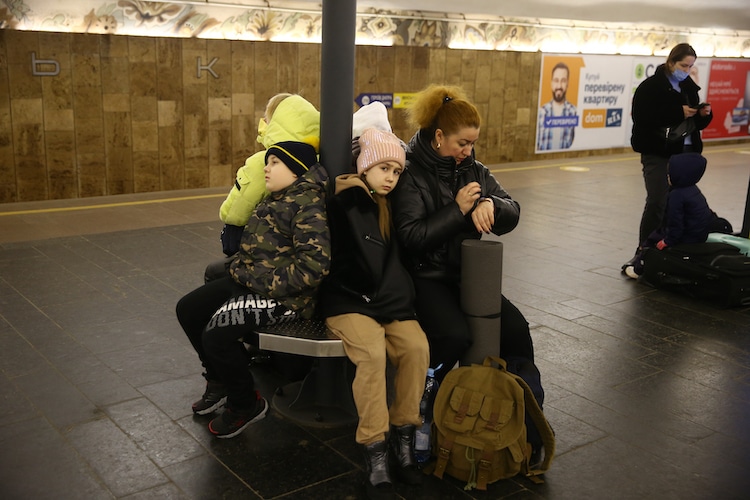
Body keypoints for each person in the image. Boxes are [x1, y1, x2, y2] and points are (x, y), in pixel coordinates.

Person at [176, 141, 330, 438]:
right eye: (267, 161)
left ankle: (246, 404)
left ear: (296, 170)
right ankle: (220, 380)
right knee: (189, 309)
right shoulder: (278, 197)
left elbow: (314, 268)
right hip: (252, 282)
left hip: (285, 297)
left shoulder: (307, 204)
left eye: (274, 162)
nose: (266, 168)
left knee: (217, 334)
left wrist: (256, 279)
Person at [390, 84, 535, 383]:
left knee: (516, 329)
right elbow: (411, 237)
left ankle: (524, 399)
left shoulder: (475, 170)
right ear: (439, 137)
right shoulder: (410, 173)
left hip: (468, 275)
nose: (468, 151)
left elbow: (514, 210)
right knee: (455, 335)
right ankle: (427, 389)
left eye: (473, 143)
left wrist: (490, 204)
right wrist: (456, 212)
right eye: (463, 143)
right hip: (424, 277)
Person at [319, 128, 429, 499]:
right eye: (384, 168)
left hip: (388, 301)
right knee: (371, 353)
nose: (390, 178)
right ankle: (375, 449)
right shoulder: (344, 202)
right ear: (364, 166)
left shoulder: (391, 204)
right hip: (348, 300)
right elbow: (341, 264)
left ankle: (404, 435)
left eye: (396, 172)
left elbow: (395, 266)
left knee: (416, 349)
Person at [625, 43, 713, 271]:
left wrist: (703, 115)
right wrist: (678, 111)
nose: (687, 70)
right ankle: (644, 249)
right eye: (684, 65)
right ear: (671, 62)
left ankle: (670, 247)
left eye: (691, 66)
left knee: (679, 203)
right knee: (657, 200)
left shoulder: (689, 87)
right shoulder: (651, 87)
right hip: (658, 151)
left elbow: (693, 123)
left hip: (684, 153)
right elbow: (643, 118)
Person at [218, 93, 320, 257]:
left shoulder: (262, 161)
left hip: (263, 239)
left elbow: (241, 202)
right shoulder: (319, 157)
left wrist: (229, 220)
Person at [624, 152, 715, 278]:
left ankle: (638, 269)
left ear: (679, 175)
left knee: (650, 241)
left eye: (669, 174)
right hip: (699, 235)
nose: (667, 177)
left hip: (685, 237)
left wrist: (668, 241)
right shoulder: (694, 189)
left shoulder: (676, 195)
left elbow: (675, 222)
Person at [536, 61, 578, 151]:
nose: (559, 85)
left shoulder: (574, 112)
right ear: (551, 83)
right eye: (556, 80)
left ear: (567, 84)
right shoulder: (541, 112)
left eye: (563, 81)